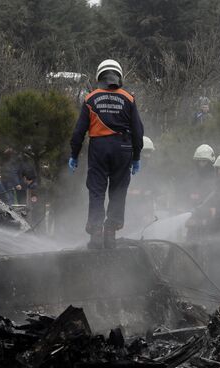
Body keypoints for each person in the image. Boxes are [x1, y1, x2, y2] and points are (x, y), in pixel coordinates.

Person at [69, 59, 144, 248]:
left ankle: (96, 233)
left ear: (99, 75)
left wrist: (74, 154)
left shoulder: (90, 99)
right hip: (123, 148)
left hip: (99, 148)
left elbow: (79, 132)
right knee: (118, 190)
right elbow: (138, 130)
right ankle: (110, 232)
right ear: (118, 75)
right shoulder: (129, 98)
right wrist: (136, 157)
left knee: (97, 190)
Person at [180, 144, 216, 210]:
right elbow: (184, 194)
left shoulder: (217, 179)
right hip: (190, 214)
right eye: (199, 161)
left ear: (210, 162)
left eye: (204, 161)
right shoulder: (191, 177)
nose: (201, 164)